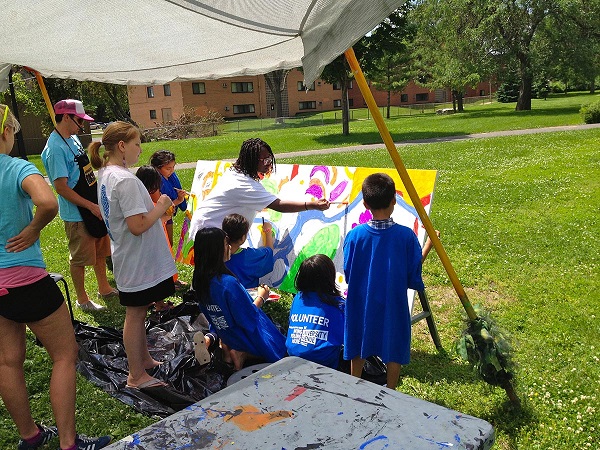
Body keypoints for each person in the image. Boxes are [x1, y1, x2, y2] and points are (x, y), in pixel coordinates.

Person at [0, 105, 111, 450]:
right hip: (25, 279)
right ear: (4, 132)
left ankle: (30, 435)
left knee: (7, 361)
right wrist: (34, 229)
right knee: (65, 354)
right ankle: (68, 443)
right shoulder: (15, 166)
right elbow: (47, 200)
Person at [89, 122, 177, 389]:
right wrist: (160, 206)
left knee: (138, 311)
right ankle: (136, 376)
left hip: (129, 255)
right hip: (134, 258)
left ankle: (144, 361)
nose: (141, 149)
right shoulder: (124, 180)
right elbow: (137, 225)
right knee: (136, 313)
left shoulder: (107, 174)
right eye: (137, 144)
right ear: (122, 146)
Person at [343, 173, 425, 390]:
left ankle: (354, 386)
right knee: (393, 346)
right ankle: (391, 391)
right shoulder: (406, 236)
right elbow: (412, 273)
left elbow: (348, 272)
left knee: (358, 344)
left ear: (364, 203)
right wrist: (427, 248)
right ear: (394, 201)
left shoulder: (355, 236)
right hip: (393, 303)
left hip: (362, 303)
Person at [41, 99, 116, 311]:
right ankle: (82, 300)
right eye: (78, 120)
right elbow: (61, 187)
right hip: (77, 214)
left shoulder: (72, 138)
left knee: (101, 251)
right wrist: (90, 206)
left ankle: (104, 288)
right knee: (80, 258)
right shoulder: (54, 148)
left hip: (93, 206)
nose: (81, 125)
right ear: (65, 117)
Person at [189, 138, 330, 239]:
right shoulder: (244, 184)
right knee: (215, 274)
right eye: (265, 160)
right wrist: (312, 204)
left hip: (211, 228)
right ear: (250, 161)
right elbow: (279, 205)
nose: (269, 164)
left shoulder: (238, 173)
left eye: (270, 158)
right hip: (211, 232)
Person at [192, 227, 286, 371]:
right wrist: (262, 296)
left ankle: (223, 347)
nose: (229, 247)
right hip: (247, 338)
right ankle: (242, 354)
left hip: (228, 335)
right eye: (225, 244)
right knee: (282, 350)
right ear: (216, 251)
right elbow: (248, 319)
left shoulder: (200, 281)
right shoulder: (228, 283)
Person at [286, 254, 345, 369]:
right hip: (322, 362)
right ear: (329, 277)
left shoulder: (298, 298)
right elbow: (349, 337)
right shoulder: (338, 304)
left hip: (292, 355)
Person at [221, 213, 274, 289]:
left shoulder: (214, 253)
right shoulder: (250, 256)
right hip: (246, 298)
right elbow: (269, 252)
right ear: (243, 238)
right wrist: (268, 231)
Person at [149, 150, 187, 248]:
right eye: (168, 168)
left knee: (169, 243)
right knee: (164, 245)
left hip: (167, 218)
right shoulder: (155, 183)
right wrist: (179, 200)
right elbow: (161, 208)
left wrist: (180, 198)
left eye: (173, 167)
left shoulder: (169, 177)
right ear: (157, 168)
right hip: (159, 220)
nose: (172, 171)